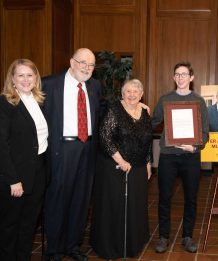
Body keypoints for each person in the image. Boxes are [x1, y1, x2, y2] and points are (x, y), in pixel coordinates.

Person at [42, 48, 102, 261]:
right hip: (62, 150)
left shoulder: (95, 86)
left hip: (87, 149)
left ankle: (72, 246)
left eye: (91, 65)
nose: (87, 68)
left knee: (81, 200)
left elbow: (101, 115)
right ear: (71, 62)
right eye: (83, 62)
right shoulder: (49, 84)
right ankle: (54, 250)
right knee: (58, 200)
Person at [90, 79, 152, 259]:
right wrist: (121, 160)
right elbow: (105, 137)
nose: (131, 95)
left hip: (139, 167)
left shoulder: (145, 111)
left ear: (141, 94)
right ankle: (112, 247)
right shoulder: (114, 109)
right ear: (122, 94)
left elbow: (147, 141)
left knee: (135, 206)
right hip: (115, 166)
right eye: (128, 91)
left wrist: (148, 163)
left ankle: (132, 245)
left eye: (136, 92)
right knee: (115, 206)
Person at [152, 62, 209, 253]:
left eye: (184, 74)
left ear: (191, 78)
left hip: (190, 157)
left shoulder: (199, 101)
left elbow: (205, 133)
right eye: (177, 74)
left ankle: (187, 236)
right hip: (168, 155)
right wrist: (136, 114)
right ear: (174, 77)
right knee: (164, 198)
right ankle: (163, 237)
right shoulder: (165, 99)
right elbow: (152, 123)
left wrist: (195, 146)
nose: (181, 77)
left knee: (191, 198)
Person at [0, 59, 48, 261]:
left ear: (36, 77)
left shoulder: (38, 101)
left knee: (28, 225)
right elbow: (2, 145)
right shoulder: (5, 103)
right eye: (21, 75)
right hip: (15, 176)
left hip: (38, 172)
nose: (26, 79)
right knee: (10, 227)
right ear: (12, 78)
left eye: (30, 75)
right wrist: (13, 179)